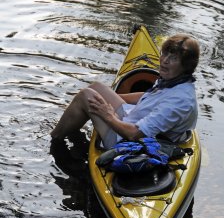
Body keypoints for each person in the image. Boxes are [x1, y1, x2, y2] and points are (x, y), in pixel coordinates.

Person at [51, 33, 200, 149]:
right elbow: (148, 96)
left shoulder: (180, 101)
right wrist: (110, 97)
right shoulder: (174, 80)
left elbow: (134, 134)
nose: (164, 61)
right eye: (164, 53)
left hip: (130, 143)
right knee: (96, 88)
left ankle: (55, 139)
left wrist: (108, 116)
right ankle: (70, 131)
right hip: (132, 119)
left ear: (186, 66)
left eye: (173, 58)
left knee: (86, 96)